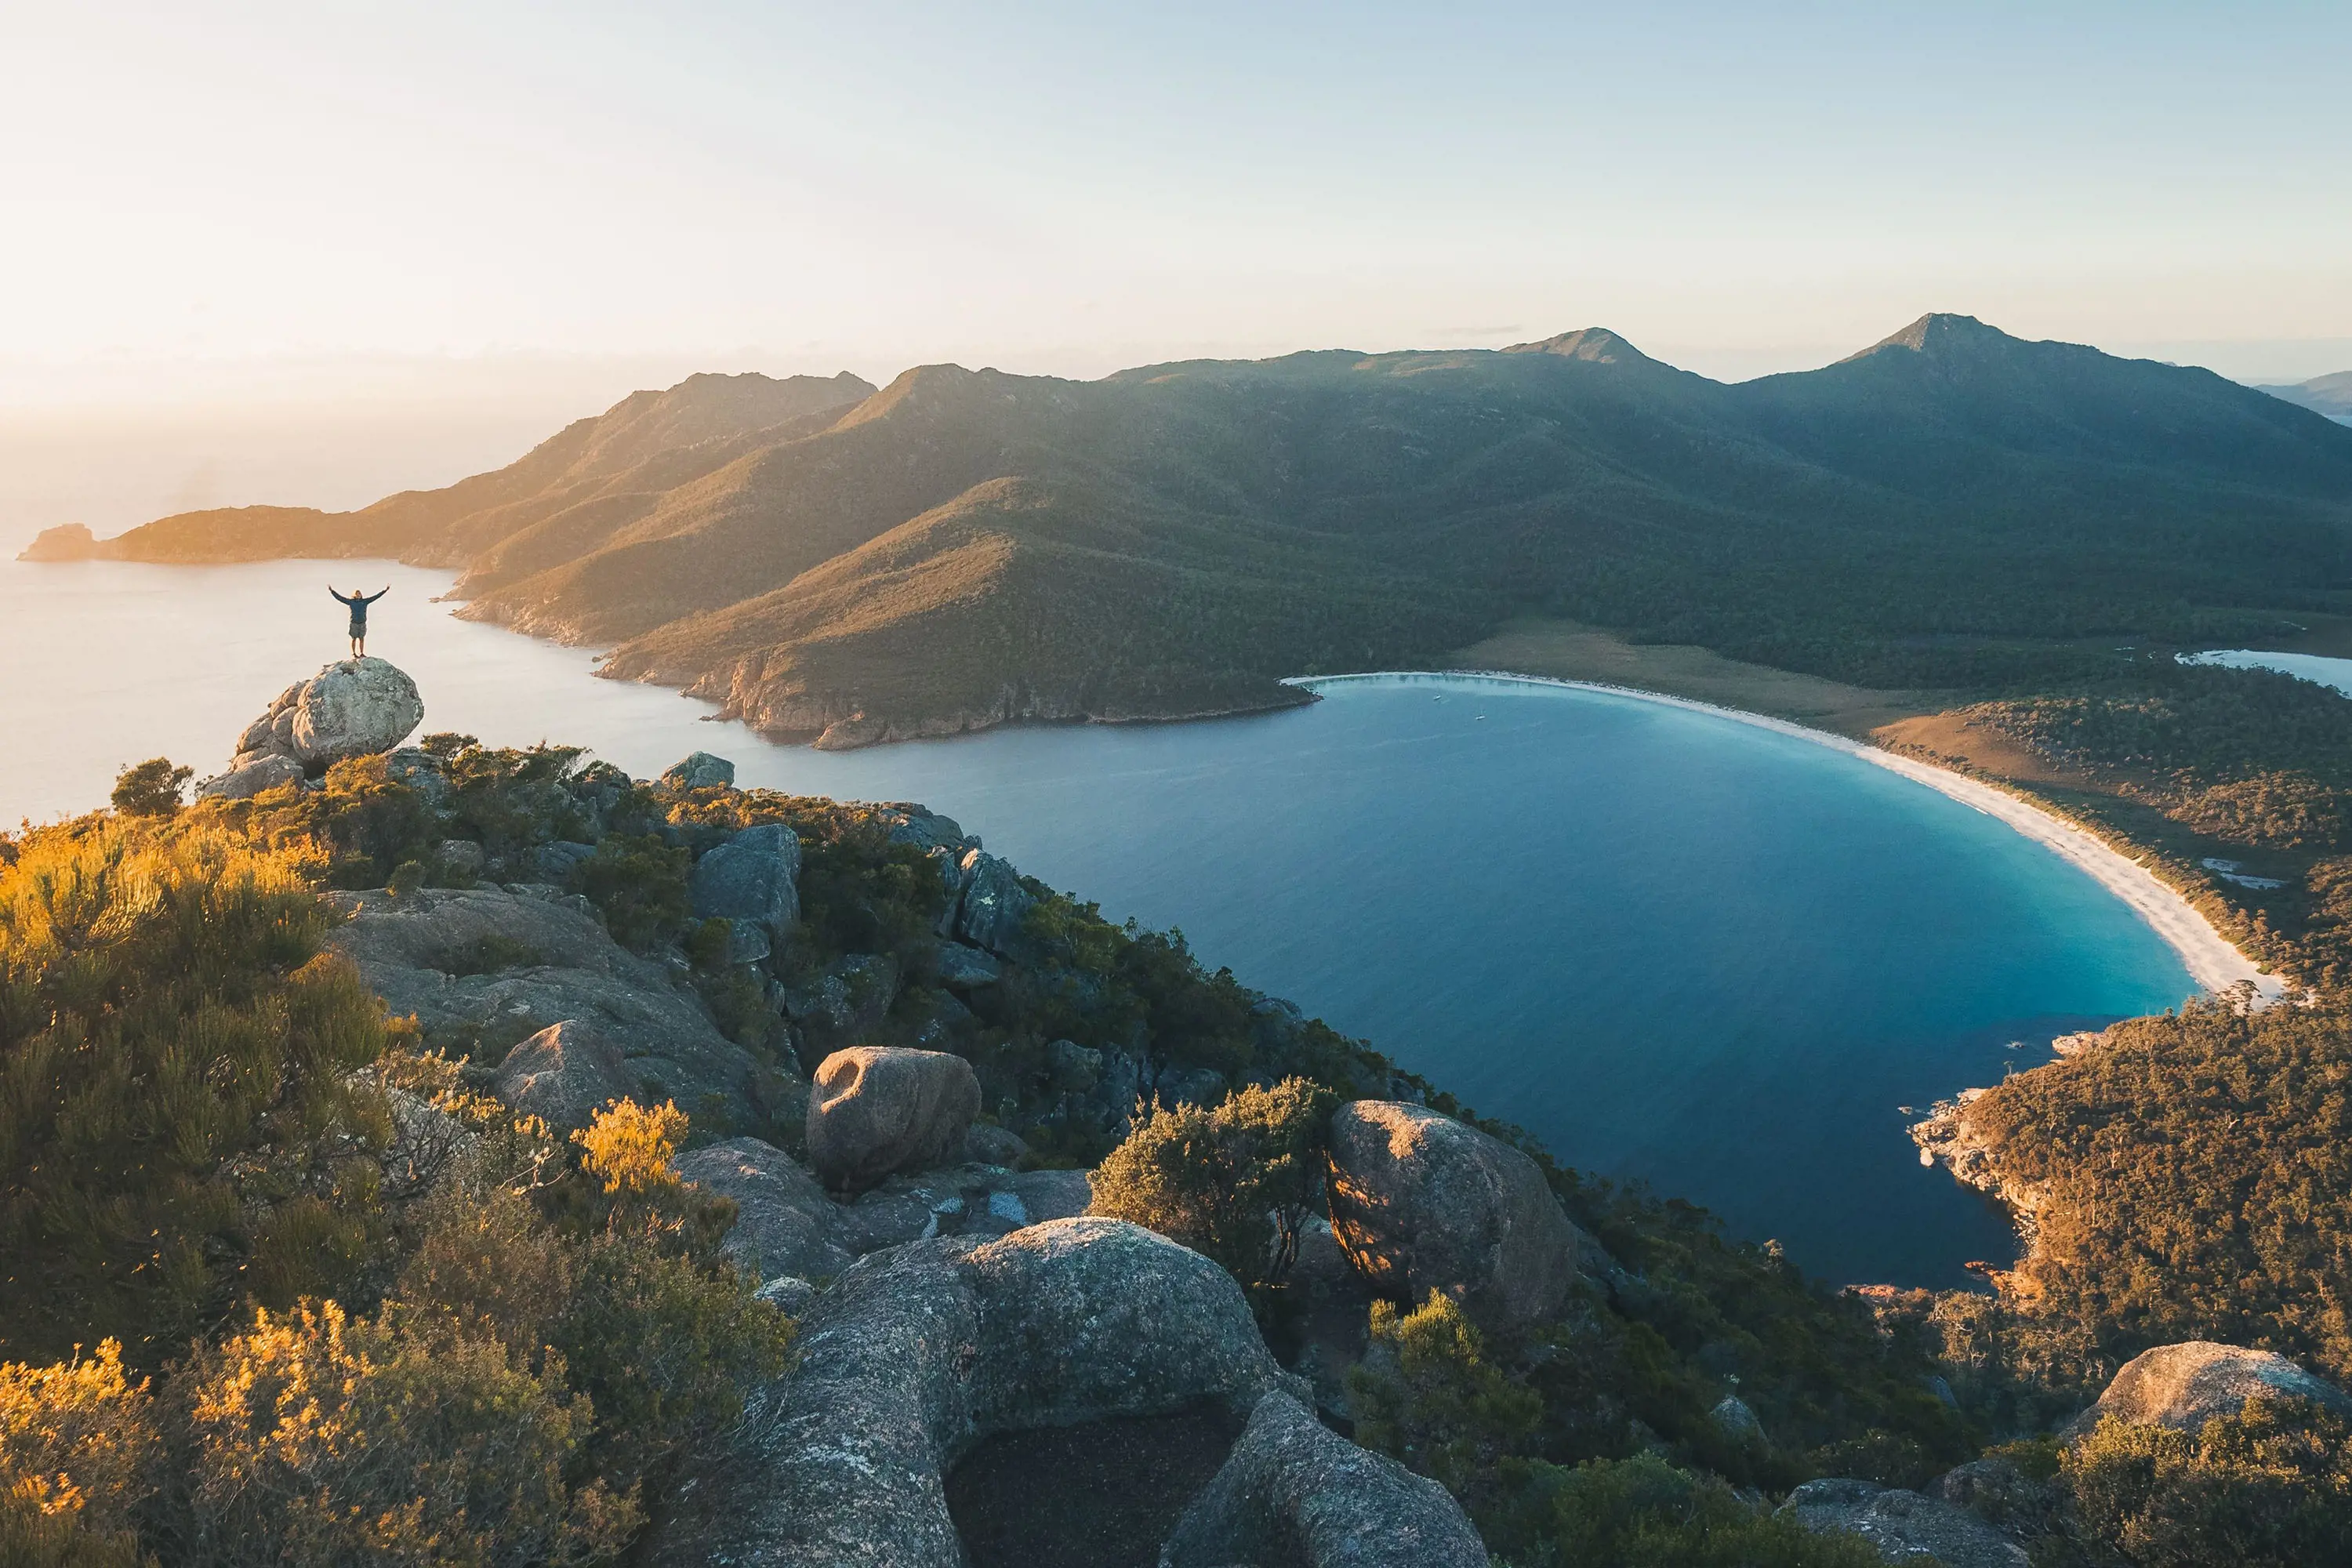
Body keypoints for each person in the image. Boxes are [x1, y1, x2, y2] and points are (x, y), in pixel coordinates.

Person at [330, 584, 390, 658]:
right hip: (354, 623)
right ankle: (354, 653)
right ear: (354, 595)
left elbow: (375, 597)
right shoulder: (351, 602)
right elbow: (340, 598)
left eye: (359, 594)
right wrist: (332, 591)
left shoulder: (365, 601)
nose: (359, 595)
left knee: (362, 638)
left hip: (362, 623)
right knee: (354, 638)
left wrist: (385, 590)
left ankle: (362, 653)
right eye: (357, 594)